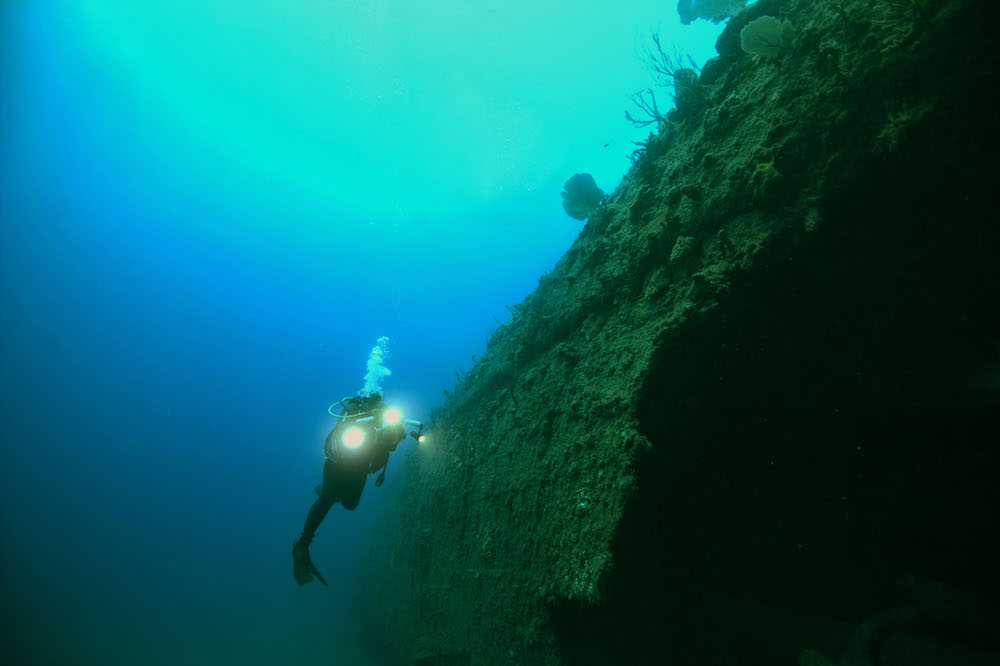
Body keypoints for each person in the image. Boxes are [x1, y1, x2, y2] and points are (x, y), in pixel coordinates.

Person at [292, 392, 407, 586]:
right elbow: (336, 437)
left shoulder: (384, 413)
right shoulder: (353, 411)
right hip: (337, 463)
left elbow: (395, 439)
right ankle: (302, 545)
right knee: (328, 497)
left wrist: (396, 432)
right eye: (372, 401)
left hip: (360, 467)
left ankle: (333, 492)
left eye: (378, 401)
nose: (375, 404)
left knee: (350, 504)